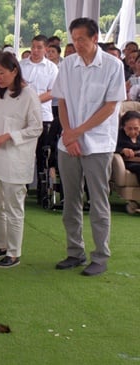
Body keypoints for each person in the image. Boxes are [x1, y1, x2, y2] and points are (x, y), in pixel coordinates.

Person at [52, 17, 126, 276]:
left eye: (81, 39)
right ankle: (75, 252)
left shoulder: (113, 65)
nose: (77, 44)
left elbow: (110, 106)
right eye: (73, 39)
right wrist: (68, 135)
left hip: (99, 144)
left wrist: (78, 133)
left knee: (98, 200)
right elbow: (61, 101)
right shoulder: (68, 64)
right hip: (68, 143)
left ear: (95, 38)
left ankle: (100, 256)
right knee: (70, 199)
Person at [0, 52, 42, 268]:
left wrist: (9, 136)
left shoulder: (28, 95)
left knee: (14, 206)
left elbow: (36, 127)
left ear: (14, 71)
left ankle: (14, 252)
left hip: (16, 160)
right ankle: (2, 244)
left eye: (2, 72)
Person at [19, 34, 59, 203]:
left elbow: (52, 91)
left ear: (46, 49)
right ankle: (22, 190)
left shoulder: (51, 68)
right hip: (23, 116)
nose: (35, 51)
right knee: (22, 154)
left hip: (43, 115)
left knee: (42, 155)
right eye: (33, 47)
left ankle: (43, 193)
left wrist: (34, 100)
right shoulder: (21, 65)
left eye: (39, 48)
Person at [116, 110, 140, 182]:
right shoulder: (118, 135)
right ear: (123, 127)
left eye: (136, 128)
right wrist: (122, 150)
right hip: (129, 162)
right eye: (129, 128)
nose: (133, 132)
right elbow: (111, 147)